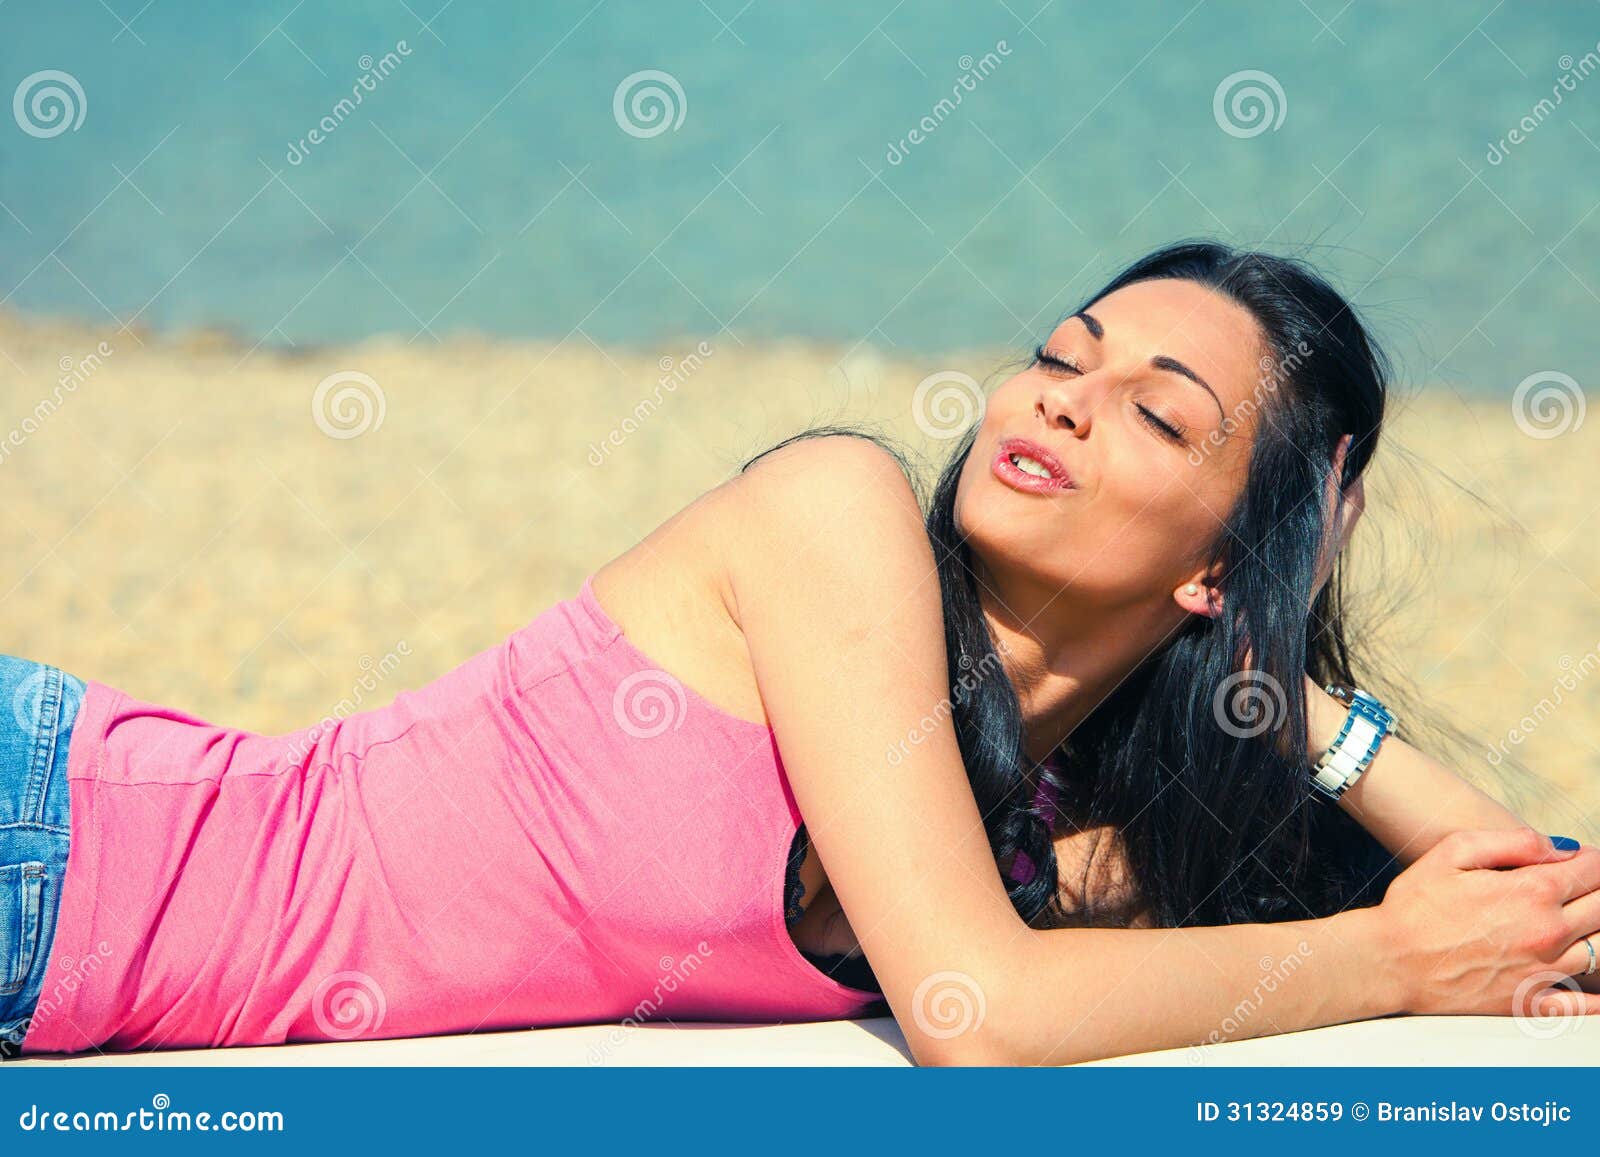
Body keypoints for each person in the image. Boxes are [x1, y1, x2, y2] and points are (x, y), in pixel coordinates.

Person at [4, 241, 1598, 1065]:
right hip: (62, 841)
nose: (1059, 398)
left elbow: (1538, 910)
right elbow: (983, 1012)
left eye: (1157, 414)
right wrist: (1392, 959)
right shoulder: (835, 517)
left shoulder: (1022, 830)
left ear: (1217, 555)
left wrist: (1279, 649)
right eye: (1062, 357)